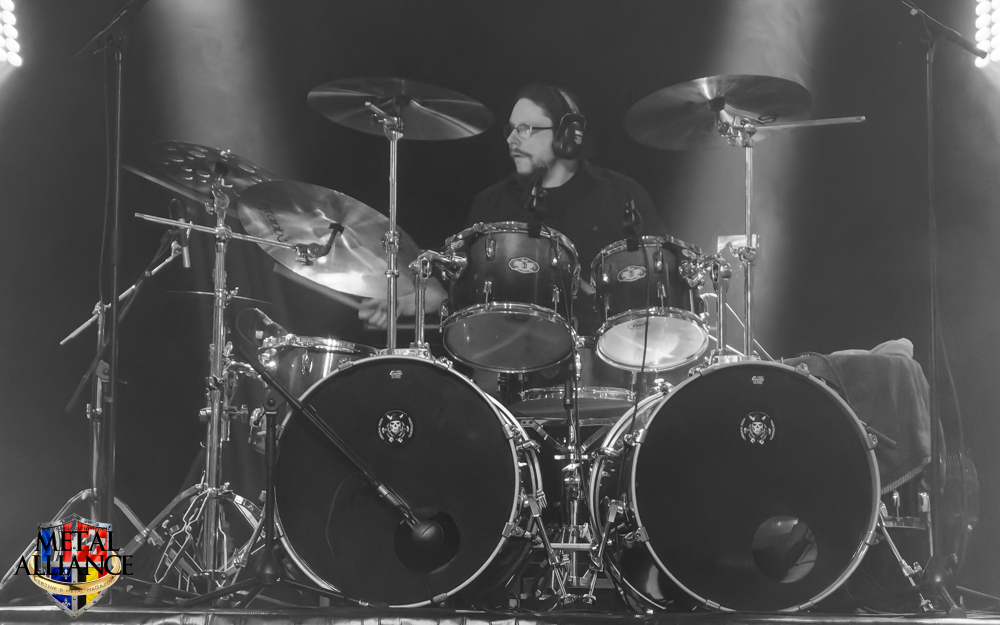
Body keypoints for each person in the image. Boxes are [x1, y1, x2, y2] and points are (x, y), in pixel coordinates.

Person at [359, 82, 667, 334]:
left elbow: (660, 276)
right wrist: (408, 301)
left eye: (526, 129)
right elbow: (456, 292)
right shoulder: (492, 203)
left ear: (567, 135)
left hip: (599, 358)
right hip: (503, 357)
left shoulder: (619, 195)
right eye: (510, 129)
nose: (511, 139)